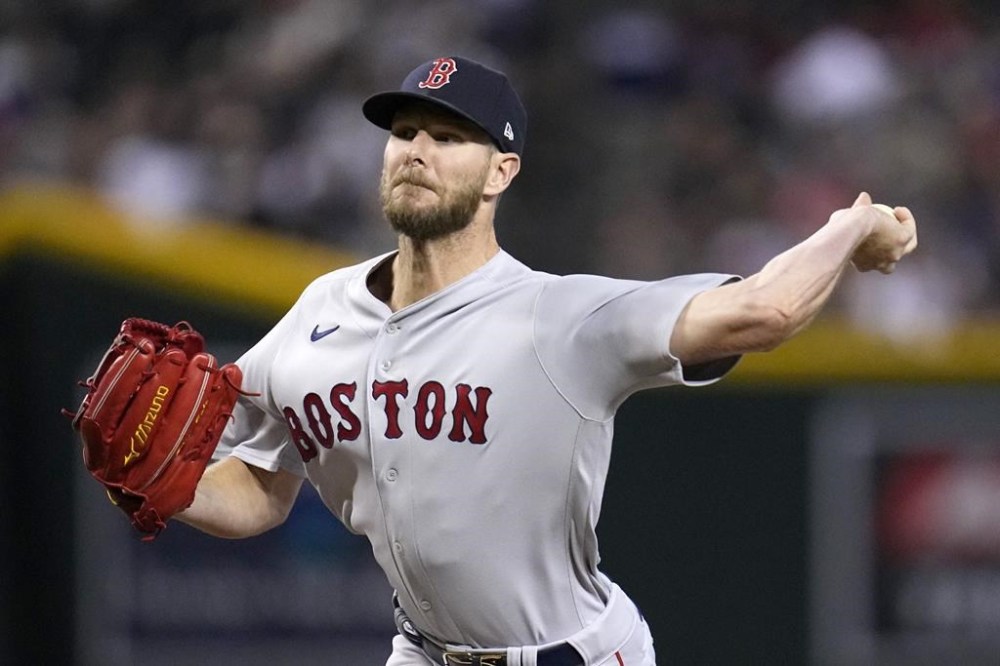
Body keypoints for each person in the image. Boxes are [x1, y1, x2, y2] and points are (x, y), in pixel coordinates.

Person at [176, 56, 917, 665]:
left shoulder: (559, 318)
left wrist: (852, 226)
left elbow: (765, 310)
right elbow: (260, 489)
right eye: (404, 131)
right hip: (421, 653)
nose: (417, 152)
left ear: (500, 172)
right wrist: (164, 486)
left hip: (569, 654)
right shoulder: (321, 310)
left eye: (447, 136)